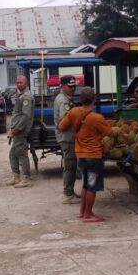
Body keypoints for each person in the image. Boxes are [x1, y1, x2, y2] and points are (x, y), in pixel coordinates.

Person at [58, 86, 116, 222]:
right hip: (94, 156)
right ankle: (88, 215)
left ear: (80, 99)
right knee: (92, 186)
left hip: (81, 155)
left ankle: (82, 212)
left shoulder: (73, 112)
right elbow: (110, 133)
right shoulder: (97, 118)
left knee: (86, 184)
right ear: (94, 99)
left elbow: (61, 126)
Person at [54, 75, 79, 204]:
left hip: (68, 137)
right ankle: (67, 194)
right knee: (70, 165)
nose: (73, 89)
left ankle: (70, 191)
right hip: (67, 137)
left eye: (74, 86)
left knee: (72, 165)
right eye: (70, 86)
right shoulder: (63, 101)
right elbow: (65, 122)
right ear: (62, 86)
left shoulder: (66, 98)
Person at [8, 74, 34, 188]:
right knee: (13, 154)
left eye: (21, 82)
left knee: (21, 153)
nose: (18, 84)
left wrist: (18, 128)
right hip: (16, 130)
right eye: (17, 82)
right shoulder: (21, 95)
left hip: (20, 130)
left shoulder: (26, 97)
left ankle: (26, 178)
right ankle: (16, 176)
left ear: (26, 83)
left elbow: (26, 115)